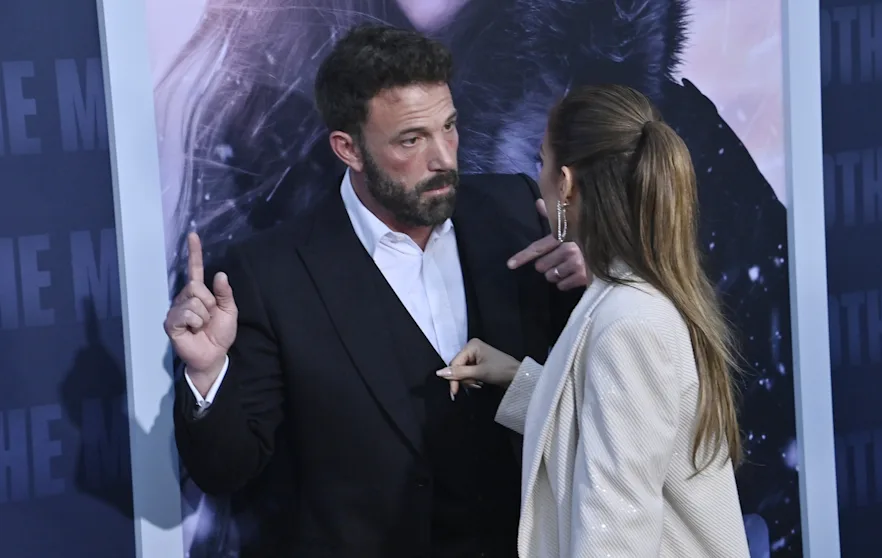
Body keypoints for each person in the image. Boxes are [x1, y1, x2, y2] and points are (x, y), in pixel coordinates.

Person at [163, 24, 587, 557]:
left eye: (449, 127)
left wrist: (593, 287)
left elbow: (597, 398)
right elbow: (226, 470)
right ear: (349, 149)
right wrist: (206, 376)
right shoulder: (273, 275)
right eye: (412, 139)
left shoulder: (517, 211)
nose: (444, 158)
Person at [437, 84, 750, 557]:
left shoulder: (629, 322)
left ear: (565, 183)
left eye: (541, 162)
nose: (537, 180)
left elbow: (616, 529)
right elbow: (603, 429)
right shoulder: (634, 298)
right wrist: (516, 378)